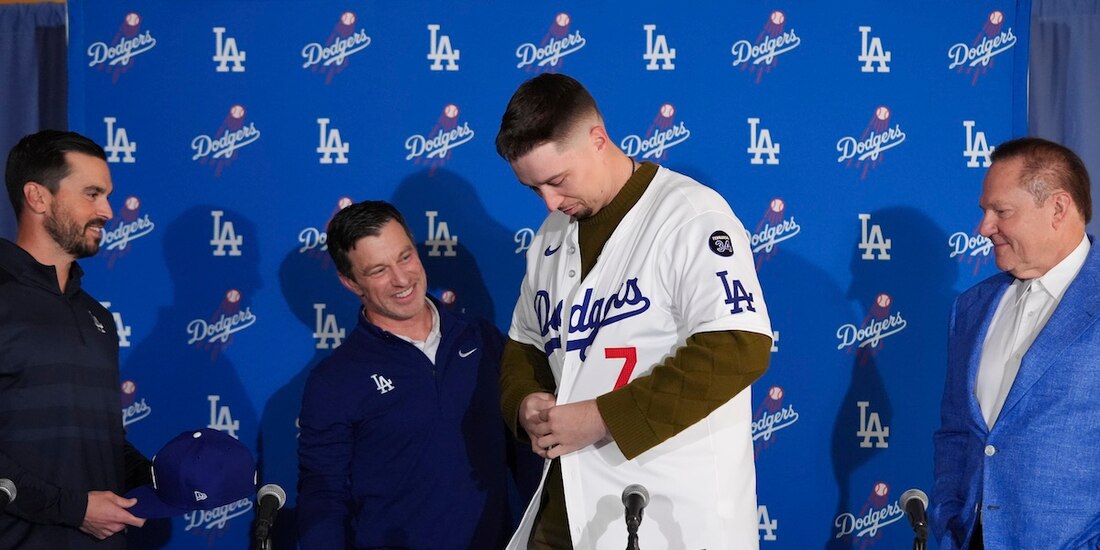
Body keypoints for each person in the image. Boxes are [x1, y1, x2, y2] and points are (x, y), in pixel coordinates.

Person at [495, 73, 773, 549]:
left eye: (558, 180)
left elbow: (739, 346)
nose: (550, 202)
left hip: (671, 511)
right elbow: (525, 343)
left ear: (598, 140)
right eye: (534, 188)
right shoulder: (549, 236)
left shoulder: (691, 215)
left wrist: (603, 417)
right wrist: (524, 402)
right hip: (566, 506)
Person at [296, 200, 519, 549]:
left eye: (405, 257)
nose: (402, 279)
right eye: (378, 270)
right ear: (351, 283)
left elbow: (525, 450)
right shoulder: (335, 381)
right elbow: (323, 494)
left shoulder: (480, 338)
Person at [931, 137, 1100, 549]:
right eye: (984, 212)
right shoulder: (972, 307)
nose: (984, 228)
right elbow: (956, 430)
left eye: (1001, 212)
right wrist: (947, 516)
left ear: (1058, 208)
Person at [0, 130, 151, 548]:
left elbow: (101, 442)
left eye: (107, 195)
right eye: (92, 193)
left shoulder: (96, 317)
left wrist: (161, 475)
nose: (107, 210)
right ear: (38, 197)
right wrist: (74, 510)